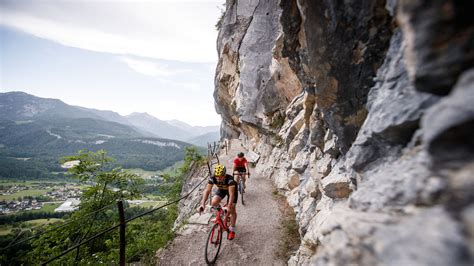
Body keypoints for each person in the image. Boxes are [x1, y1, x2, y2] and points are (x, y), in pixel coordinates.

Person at [198, 164, 238, 240]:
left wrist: (229, 207)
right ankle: (220, 214)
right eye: (217, 176)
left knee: (232, 210)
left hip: (231, 192)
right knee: (213, 202)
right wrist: (202, 204)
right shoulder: (213, 178)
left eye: (221, 176)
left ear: (225, 175)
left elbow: (232, 195)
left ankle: (232, 230)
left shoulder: (230, 180)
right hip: (222, 190)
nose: (218, 178)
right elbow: (207, 191)